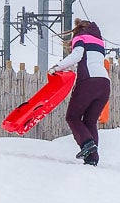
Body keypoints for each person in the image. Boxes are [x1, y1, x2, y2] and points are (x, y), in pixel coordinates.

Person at [48, 18, 111, 165]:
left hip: (89, 81)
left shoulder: (80, 37)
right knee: (90, 121)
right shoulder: (99, 42)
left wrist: (57, 67)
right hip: (105, 83)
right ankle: (92, 158)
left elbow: (77, 55)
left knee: (72, 116)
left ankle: (88, 144)